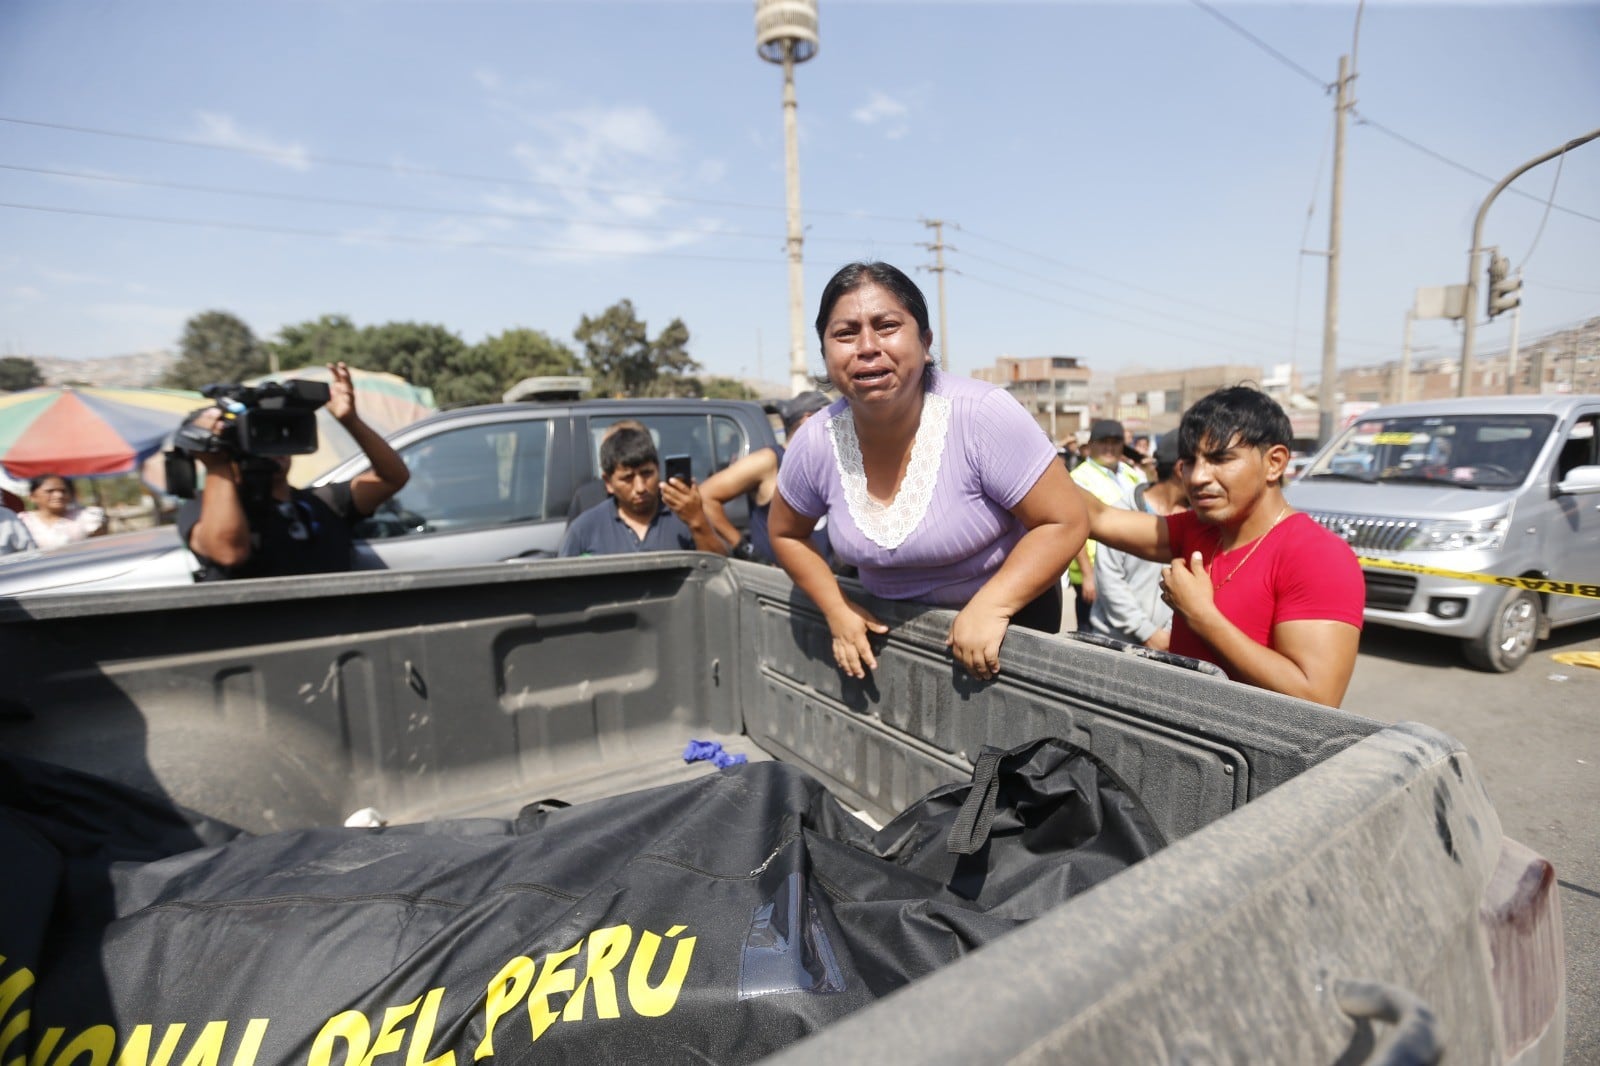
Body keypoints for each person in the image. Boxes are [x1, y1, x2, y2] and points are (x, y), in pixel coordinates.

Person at [769, 261, 1088, 682]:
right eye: (845, 333)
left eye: (886, 326)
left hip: (1004, 642)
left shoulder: (982, 416)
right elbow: (786, 533)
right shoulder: (814, 442)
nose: (867, 346)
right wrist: (836, 609)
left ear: (925, 343)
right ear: (826, 355)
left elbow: (1065, 520)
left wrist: (994, 605)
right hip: (888, 651)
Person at [1077, 386, 1364, 707]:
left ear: (1275, 463)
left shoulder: (1318, 556)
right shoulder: (1200, 528)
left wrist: (1202, 617)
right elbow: (1098, 518)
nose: (1198, 477)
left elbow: (1318, 698)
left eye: (1220, 459)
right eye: (1190, 461)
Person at [179, 362, 410, 581]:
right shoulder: (202, 510)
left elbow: (392, 477)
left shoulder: (323, 504)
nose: (275, 444)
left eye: (280, 431)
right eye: (261, 434)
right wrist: (218, 464)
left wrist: (350, 421)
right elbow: (229, 553)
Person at [699, 391, 831, 564]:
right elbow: (705, 496)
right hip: (777, 584)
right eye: (835, 421)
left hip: (828, 580)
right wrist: (744, 548)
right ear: (809, 420)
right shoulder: (770, 461)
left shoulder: (828, 462)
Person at [559, 425, 730, 557]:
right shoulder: (584, 529)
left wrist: (697, 522)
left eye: (647, 474)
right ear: (608, 482)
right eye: (627, 478)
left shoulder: (684, 517)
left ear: (658, 469)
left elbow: (719, 571)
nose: (640, 488)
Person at [1089, 430, 1188, 649]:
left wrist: (1171, 633)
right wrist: (1147, 632)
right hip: (1116, 644)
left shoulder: (1198, 522)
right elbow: (1109, 581)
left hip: (1172, 645)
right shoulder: (1123, 512)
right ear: (1181, 469)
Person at [1067, 419, 1145, 630]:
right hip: (1096, 574)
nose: (1109, 448)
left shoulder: (1131, 474)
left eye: (1115, 442)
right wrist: (1087, 575)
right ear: (1091, 444)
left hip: (1128, 571)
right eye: (1103, 442)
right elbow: (1075, 527)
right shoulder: (1079, 478)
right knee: (1094, 643)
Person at [19, 474, 106, 550]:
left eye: (63, 491)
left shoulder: (87, 517)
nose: (59, 495)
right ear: (32, 496)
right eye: (50, 491)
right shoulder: (23, 522)